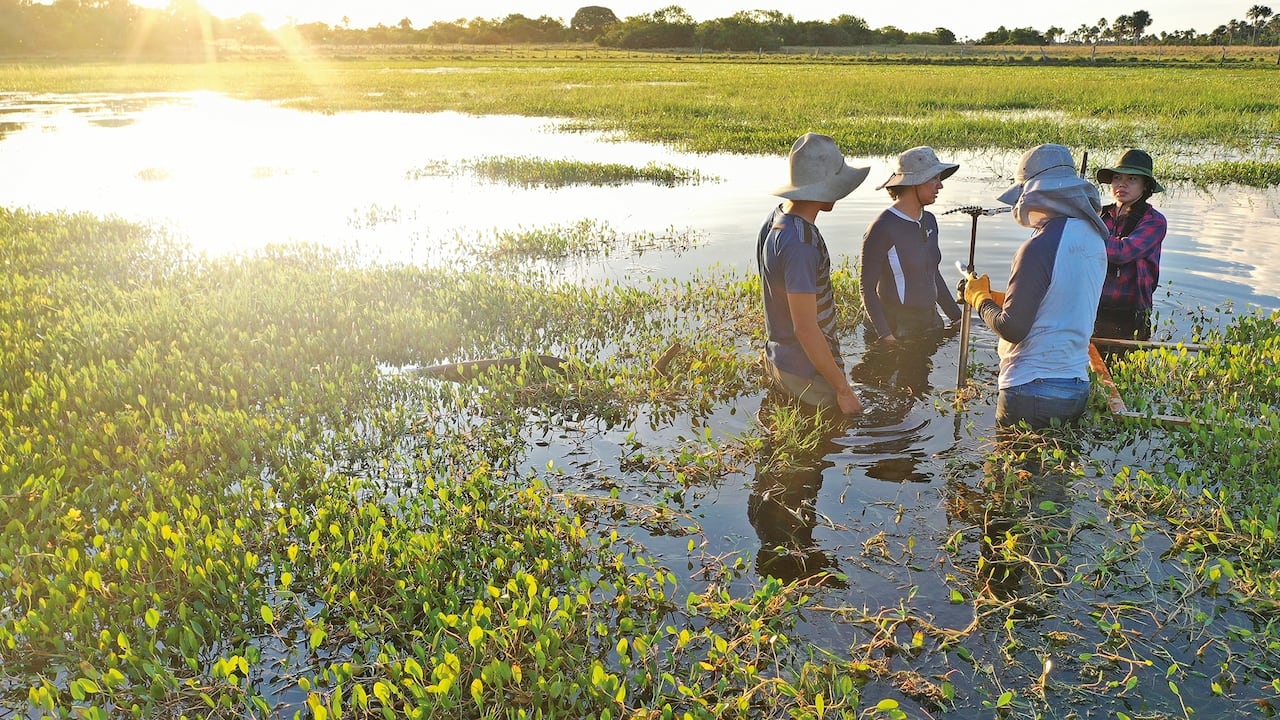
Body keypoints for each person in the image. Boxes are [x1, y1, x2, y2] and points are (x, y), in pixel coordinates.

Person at [961, 144, 1108, 428]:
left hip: (1030, 389)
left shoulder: (1038, 247)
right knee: (1057, 471)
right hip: (1075, 386)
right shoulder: (1094, 239)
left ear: (1037, 194)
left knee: (1010, 471)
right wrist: (995, 296)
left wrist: (979, 299)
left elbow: (1013, 328)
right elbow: (1059, 300)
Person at [757, 133, 870, 416]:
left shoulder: (775, 218)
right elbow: (806, 329)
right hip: (806, 375)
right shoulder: (801, 244)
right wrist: (843, 390)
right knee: (824, 451)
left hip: (779, 360)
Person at [860, 146, 963, 344]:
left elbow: (933, 273)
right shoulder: (882, 227)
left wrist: (957, 317)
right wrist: (886, 336)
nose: (939, 186)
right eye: (934, 178)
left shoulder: (930, 220)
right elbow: (867, 287)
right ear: (913, 183)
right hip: (895, 328)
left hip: (927, 322)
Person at [1094, 148, 1168, 341]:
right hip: (1093, 306)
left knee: (1126, 368)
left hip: (1131, 312)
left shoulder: (1154, 221)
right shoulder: (1099, 214)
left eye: (1132, 179)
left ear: (1145, 186)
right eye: (1117, 178)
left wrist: (1085, 234)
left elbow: (1122, 252)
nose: (1122, 184)